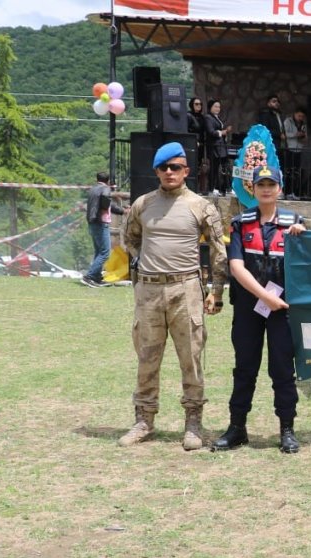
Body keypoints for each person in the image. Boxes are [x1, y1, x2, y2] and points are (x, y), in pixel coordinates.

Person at [117, 142, 228, 450]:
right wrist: (146, 264)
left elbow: (219, 250)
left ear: (186, 171)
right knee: (147, 358)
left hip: (186, 290)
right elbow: (130, 238)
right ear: (157, 171)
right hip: (149, 291)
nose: (169, 172)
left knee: (190, 358)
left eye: (175, 167)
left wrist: (216, 290)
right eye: (164, 168)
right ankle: (144, 420)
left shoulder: (201, 206)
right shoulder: (143, 204)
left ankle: (193, 423)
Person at [212, 167, 308, 453]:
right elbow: (236, 267)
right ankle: (237, 427)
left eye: (271, 184)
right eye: (260, 184)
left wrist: (302, 238)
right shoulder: (241, 223)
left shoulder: (295, 223)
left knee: (282, 370)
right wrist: (265, 296)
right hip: (249, 307)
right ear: (251, 189)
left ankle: (287, 429)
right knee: (244, 368)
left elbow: (309, 262)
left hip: (283, 308)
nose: (266, 189)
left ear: (280, 188)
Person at [81, 172, 115, 288]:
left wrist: (121, 210)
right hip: (101, 222)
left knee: (98, 251)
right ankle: (89, 276)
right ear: (108, 180)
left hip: (92, 221)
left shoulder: (93, 189)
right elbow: (106, 200)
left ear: (97, 179)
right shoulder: (105, 189)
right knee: (105, 252)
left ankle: (96, 277)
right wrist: (106, 205)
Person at [204, 99, 232, 196]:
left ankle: (226, 188)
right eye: (215, 106)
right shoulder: (208, 117)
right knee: (214, 168)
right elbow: (211, 131)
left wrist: (225, 132)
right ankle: (212, 188)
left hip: (221, 146)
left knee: (225, 167)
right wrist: (222, 132)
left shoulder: (216, 118)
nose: (217, 109)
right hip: (214, 146)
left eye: (219, 107)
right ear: (210, 107)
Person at [282, 107, 307, 199]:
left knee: (296, 172)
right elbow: (285, 134)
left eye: (302, 116)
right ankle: (286, 192)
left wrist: (303, 137)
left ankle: (294, 192)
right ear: (295, 114)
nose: (300, 118)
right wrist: (295, 134)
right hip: (289, 148)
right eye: (299, 115)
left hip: (298, 149)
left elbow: (305, 137)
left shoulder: (303, 124)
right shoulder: (288, 121)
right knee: (288, 171)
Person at [186, 97, 209, 193]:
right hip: (192, 144)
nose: (198, 106)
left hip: (201, 145)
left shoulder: (202, 117)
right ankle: (189, 187)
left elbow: (204, 131)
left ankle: (198, 188)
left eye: (200, 104)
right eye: (196, 104)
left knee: (199, 166)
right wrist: (194, 140)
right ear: (192, 104)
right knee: (191, 165)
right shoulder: (188, 115)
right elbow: (186, 130)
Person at [257, 94, 286, 159]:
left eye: (277, 101)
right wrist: (279, 134)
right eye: (274, 101)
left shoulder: (278, 114)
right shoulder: (265, 114)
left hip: (279, 144)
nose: (277, 103)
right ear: (268, 103)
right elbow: (265, 129)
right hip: (270, 144)